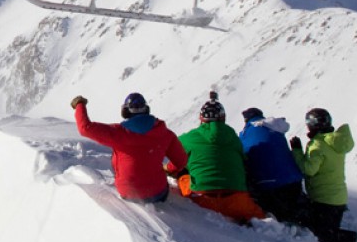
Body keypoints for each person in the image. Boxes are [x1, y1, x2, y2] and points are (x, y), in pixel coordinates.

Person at [167, 91, 269, 224]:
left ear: (201, 118)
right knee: (263, 220)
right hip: (237, 199)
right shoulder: (233, 137)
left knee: (183, 178)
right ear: (223, 118)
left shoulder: (189, 138)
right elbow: (243, 159)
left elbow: (175, 158)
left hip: (203, 199)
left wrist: (168, 168)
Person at [72, 92, 189, 204]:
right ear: (147, 110)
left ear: (125, 111)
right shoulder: (164, 133)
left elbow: (85, 128)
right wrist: (167, 168)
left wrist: (79, 104)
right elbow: (181, 161)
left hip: (128, 192)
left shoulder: (118, 133)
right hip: (158, 193)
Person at [291, 108, 357, 242]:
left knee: (324, 236)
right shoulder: (334, 141)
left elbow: (309, 169)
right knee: (325, 229)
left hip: (324, 198)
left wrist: (296, 151)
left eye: (309, 122)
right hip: (337, 197)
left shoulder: (318, 145)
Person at [238, 106, 307, 226]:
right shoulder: (275, 128)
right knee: (295, 209)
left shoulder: (245, 134)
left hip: (269, 185)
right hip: (293, 180)